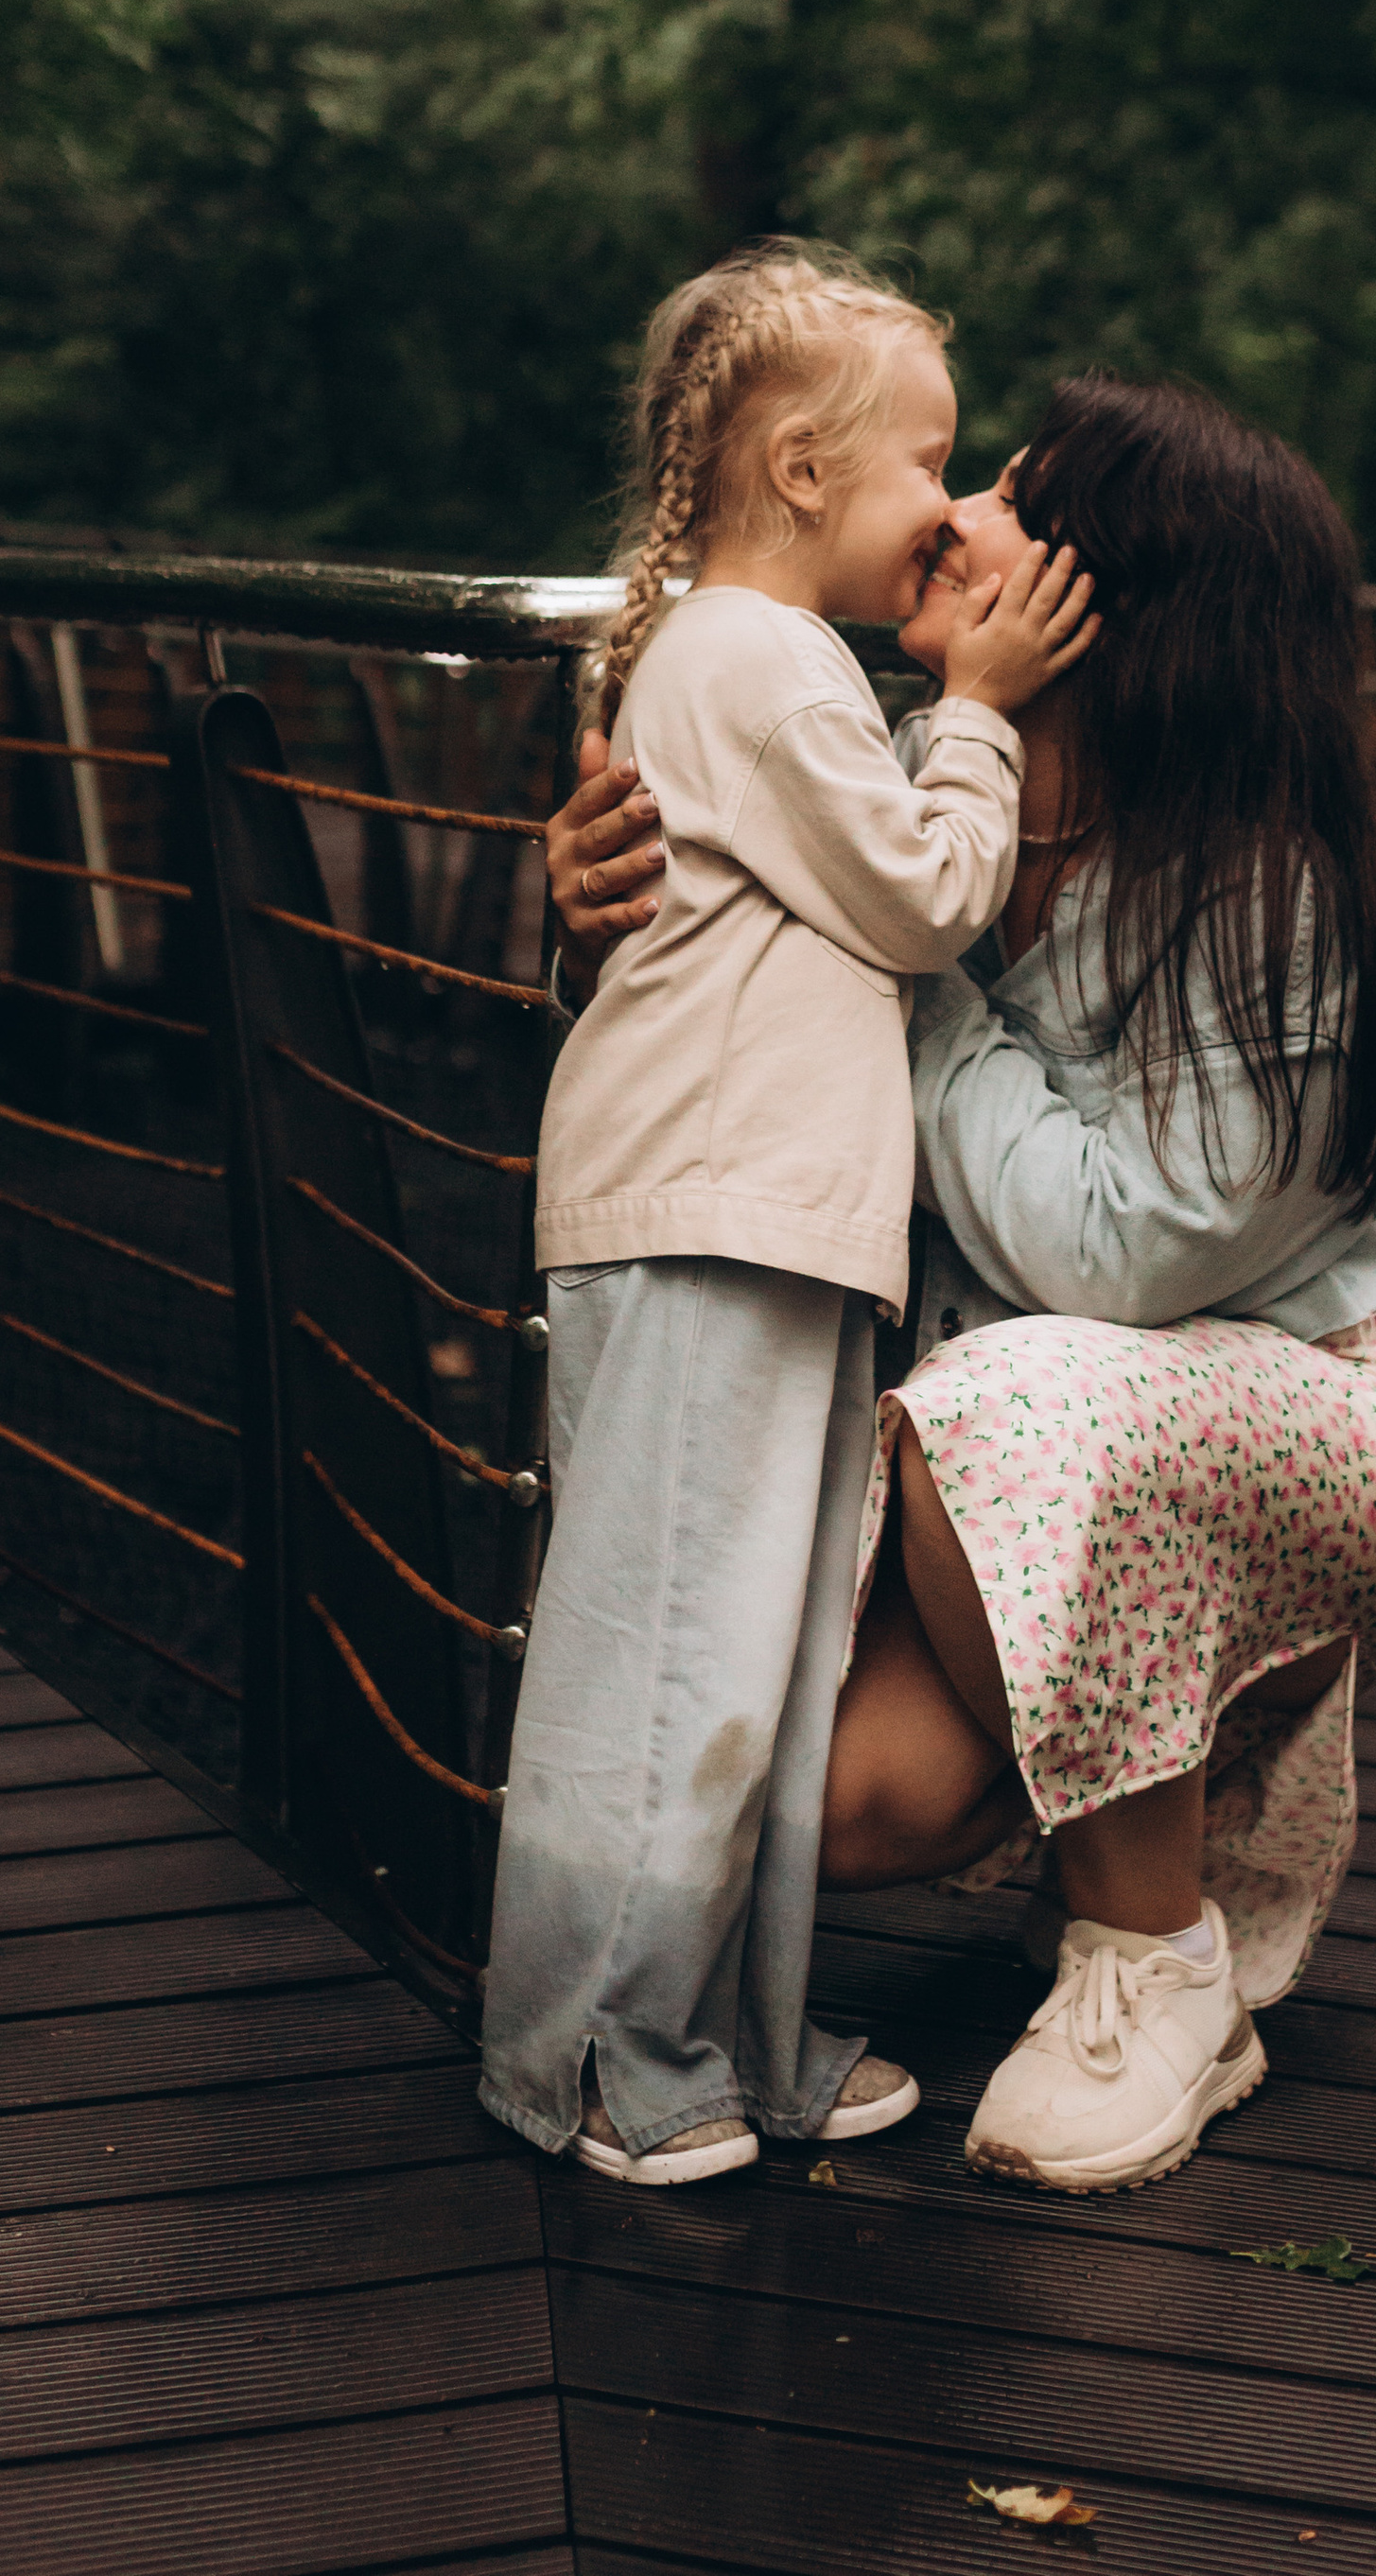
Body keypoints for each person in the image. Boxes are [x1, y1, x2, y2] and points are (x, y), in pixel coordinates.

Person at [549, 371, 1376, 2197]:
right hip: (1037, 1434)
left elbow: (1115, 1254)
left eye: (1005, 491)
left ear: (1109, 600)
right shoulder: (919, 781)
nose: (952, 515)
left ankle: (1154, 1963)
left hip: (1352, 1400)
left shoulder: (1271, 898)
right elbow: (738, 1019)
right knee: (833, 1807)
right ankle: (1173, 1762)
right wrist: (613, 914)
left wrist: (900, 964)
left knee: (1032, 1392)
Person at [479, 244, 1097, 2189]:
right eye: (926, 455)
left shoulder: (763, 667)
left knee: (756, 1660)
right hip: (707, 1220)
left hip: (778, 1221)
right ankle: (587, 2055)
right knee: (667, 1652)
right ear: (807, 471)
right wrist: (983, 708)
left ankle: (733, 2032)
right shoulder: (756, 661)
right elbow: (923, 898)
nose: (947, 500)